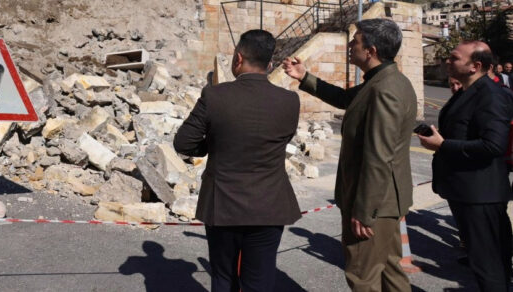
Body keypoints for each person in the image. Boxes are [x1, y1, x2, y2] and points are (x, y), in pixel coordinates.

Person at [282, 18, 416, 292]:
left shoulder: (384, 90)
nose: (350, 47)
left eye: (355, 42)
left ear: (372, 50)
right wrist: (304, 77)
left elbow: (379, 156)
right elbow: (345, 99)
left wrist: (364, 211)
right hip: (386, 204)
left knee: (362, 276)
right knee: (391, 272)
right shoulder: (385, 81)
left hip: (374, 205)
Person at [174, 29, 300, 292]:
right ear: (270, 64)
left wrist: (215, 144)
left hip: (223, 204)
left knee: (223, 278)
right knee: (260, 280)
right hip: (269, 205)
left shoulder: (215, 95)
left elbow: (183, 143)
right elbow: (281, 139)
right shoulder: (290, 101)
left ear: (238, 58)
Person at [418, 41, 513, 291]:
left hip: (481, 195)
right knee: (484, 264)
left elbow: (493, 146)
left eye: (454, 58)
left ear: (475, 66)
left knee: (489, 267)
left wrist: (443, 144)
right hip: (466, 192)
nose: (447, 62)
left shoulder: (492, 95)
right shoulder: (465, 92)